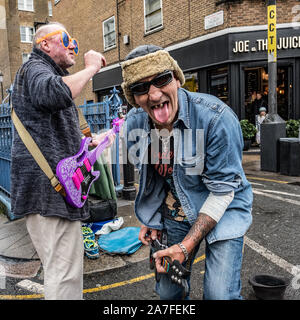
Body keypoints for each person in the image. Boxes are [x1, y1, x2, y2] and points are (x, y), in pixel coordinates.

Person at [121, 45, 253, 300]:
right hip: (176, 211)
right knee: (169, 293)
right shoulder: (135, 125)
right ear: (133, 98)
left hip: (224, 208)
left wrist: (186, 246)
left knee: (219, 295)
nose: (154, 94)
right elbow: (154, 178)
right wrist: (150, 219)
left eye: (161, 80)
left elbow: (223, 192)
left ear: (177, 78)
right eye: (141, 88)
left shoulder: (216, 118)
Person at [11, 22, 111, 300]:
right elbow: (53, 92)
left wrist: (91, 142)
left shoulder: (44, 73)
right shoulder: (35, 69)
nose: (73, 47)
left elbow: (52, 134)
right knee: (63, 274)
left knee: (63, 269)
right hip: (48, 193)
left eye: (74, 42)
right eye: (66, 39)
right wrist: (91, 68)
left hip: (53, 192)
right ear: (45, 44)